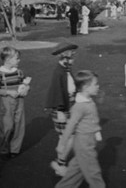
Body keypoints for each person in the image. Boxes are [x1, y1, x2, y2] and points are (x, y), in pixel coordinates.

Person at [54, 71, 105, 188]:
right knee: (93, 173)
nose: (98, 86)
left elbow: (91, 119)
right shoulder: (79, 107)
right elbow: (70, 126)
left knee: (76, 171)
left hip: (87, 142)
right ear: (86, 88)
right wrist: (62, 144)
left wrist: (96, 131)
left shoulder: (88, 101)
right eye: (95, 84)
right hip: (84, 144)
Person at [0, 46, 31, 160]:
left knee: (19, 124)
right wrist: (8, 92)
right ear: (8, 59)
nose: (19, 60)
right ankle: (3, 148)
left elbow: (25, 84)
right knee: (7, 126)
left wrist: (26, 89)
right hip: (7, 102)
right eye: (17, 58)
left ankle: (15, 149)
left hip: (19, 101)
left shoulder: (19, 72)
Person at [46, 42, 79, 177]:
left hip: (67, 105)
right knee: (69, 137)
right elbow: (57, 91)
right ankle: (60, 163)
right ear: (65, 57)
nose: (73, 59)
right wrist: (60, 110)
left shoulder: (66, 69)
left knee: (65, 137)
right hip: (61, 108)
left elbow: (71, 85)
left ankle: (61, 162)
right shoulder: (59, 72)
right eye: (71, 56)